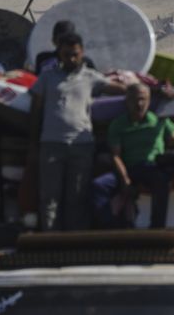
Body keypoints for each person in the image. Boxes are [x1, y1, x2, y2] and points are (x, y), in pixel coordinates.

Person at [29, 33, 121, 230]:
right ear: (59, 54)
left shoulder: (90, 77)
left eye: (75, 54)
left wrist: (154, 90)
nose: (71, 59)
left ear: (82, 53)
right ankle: (50, 240)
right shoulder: (47, 77)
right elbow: (35, 110)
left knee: (77, 196)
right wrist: (34, 143)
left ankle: (74, 240)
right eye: (66, 55)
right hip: (51, 144)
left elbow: (120, 89)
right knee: (49, 197)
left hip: (82, 145)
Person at [108, 83, 174, 228]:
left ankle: (157, 227)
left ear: (149, 101)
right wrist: (125, 180)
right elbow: (115, 156)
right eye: (135, 99)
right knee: (99, 186)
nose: (139, 104)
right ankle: (109, 229)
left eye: (143, 99)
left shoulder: (159, 120)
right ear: (127, 101)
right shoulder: (118, 124)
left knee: (161, 179)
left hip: (153, 166)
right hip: (129, 168)